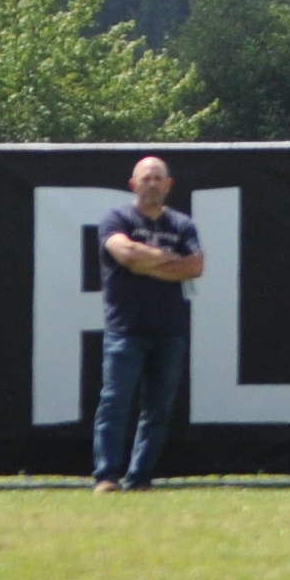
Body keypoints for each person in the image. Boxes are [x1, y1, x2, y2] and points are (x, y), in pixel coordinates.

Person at [94, 156, 202, 493]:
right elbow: (124, 255)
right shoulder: (117, 218)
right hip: (125, 330)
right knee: (115, 403)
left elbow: (195, 266)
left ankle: (140, 479)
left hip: (170, 331)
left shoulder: (183, 225)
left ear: (168, 185)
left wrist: (146, 263)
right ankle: (107, 477)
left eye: (158, 178)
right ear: (133, 184)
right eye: (146, 178)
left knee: (157, 410)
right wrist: (169, 259)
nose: (152, 183)